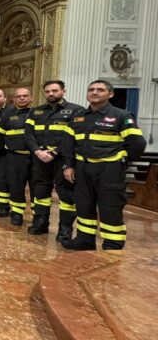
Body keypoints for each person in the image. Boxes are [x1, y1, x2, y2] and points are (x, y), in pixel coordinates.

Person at [60, 80, 146, 251]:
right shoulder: (79, 117)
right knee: (84, 204)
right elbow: (68, 144)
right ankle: (85, 239)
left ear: (110, 94)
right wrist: (68, 166)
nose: (94, 92)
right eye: (91, 89)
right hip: (83, 169)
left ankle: (112, 243)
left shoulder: (122, 116)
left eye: (100, 90)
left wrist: (121, 161)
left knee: (110, 206)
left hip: (109, 169)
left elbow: (137, 144)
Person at [24, 80, 84, 239]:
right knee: (40, 192)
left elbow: (72, 137)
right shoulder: (35, 111)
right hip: (40, 158)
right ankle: (41, 223)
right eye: (48, 91)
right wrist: (37, 151)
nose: (51, 94)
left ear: (63, 91)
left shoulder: (76, 111)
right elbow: (28, 134)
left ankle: (65, 229)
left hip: (63, 159)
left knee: (66, 194)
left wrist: (55, 153)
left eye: (55, 91)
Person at [0, 88, 34, 222]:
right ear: (14, 99)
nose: (22, 98)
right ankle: (17, 213)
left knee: (37, 188)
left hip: (35, 157)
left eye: (25, 96)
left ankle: (39, 217)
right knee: (15, 186)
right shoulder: (7, 114)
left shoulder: (38, 113)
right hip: (14, 156)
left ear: (31, 98)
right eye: (18, 96)